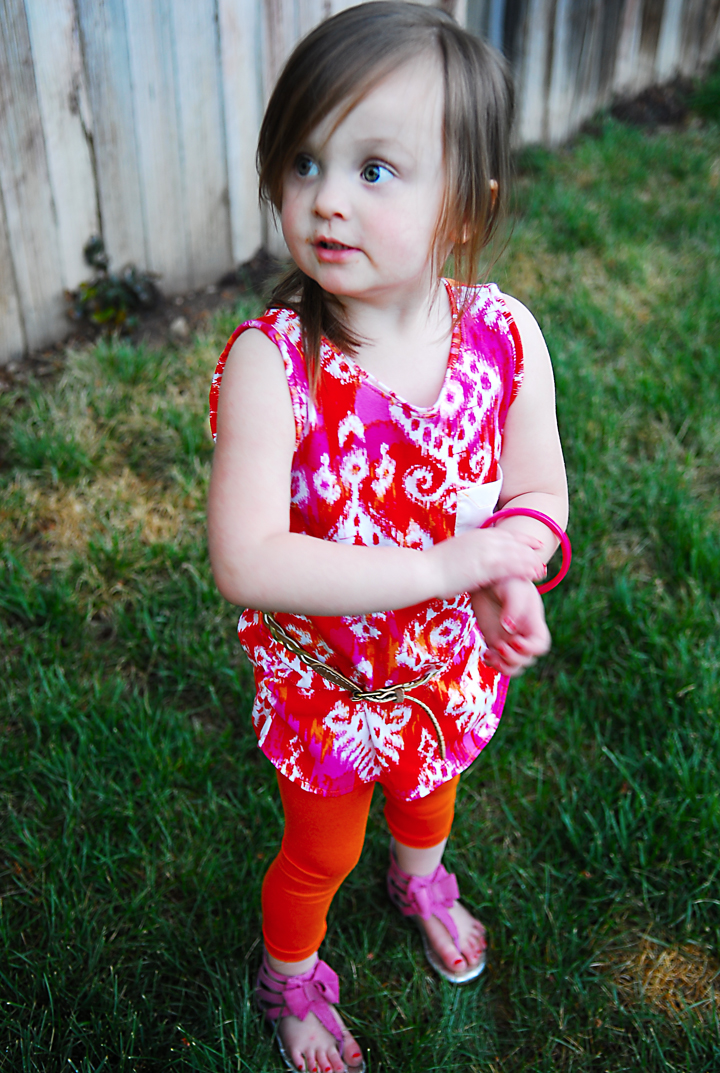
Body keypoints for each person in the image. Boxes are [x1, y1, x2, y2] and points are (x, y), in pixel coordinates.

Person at [207, 3, 568, 1070]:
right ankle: (289, 976)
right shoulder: (275, 364)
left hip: (444, 668)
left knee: (429, 797)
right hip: (330, 681)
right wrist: (446, 563)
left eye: (374, 170)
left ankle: (421, 876)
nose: (326, 197)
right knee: (320, 849)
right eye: (306, 160)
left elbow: (537, 489)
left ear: (464, 205)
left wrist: (514, 573)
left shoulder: (505, 339)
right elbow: (247, 557)